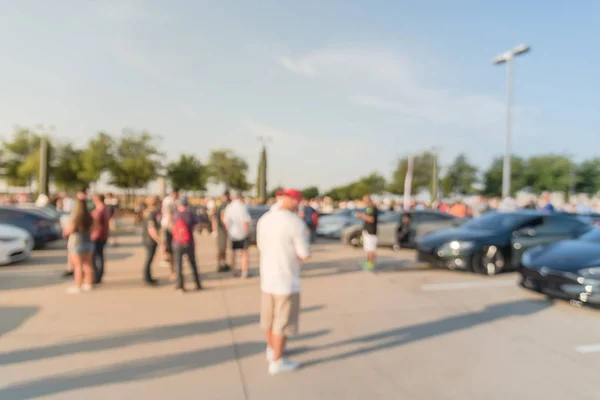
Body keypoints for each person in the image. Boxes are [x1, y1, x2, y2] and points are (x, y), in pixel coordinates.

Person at [256, 188, 310, 375]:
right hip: (286, 280)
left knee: (269, 320)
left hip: (267, 277)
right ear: (295, 202)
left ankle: (272, 350)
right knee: (282, 323)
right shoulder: (295, 223)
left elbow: (261, 246)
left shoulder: (264, 220)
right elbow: (304, 254)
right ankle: (278, 361)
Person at [63, 199, 94, 294]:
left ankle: (78, 285)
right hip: (88, 241)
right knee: (88, 264)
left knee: (78, 265)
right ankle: (88, 284)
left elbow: (69, 230)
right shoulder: (89, 216)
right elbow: (93, 228)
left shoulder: (75, 217)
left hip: (76, 242)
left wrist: (65, 233)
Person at [171, 197, 202, 292]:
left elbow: (171, 227)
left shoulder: (175, 215)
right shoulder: (190, 214)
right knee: (192, 263)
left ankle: (180, 285)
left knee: (178, 265)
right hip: (189, 242)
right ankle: (197, 283)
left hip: (177, 243)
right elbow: (197, 226)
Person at [223, 190, 252, 278]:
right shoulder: (242, 207)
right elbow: (245, 221)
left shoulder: (229, 207)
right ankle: (244, 271)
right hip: (242, 233)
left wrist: (229, 230)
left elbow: (225, 220)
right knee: (244, 253)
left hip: (232, 234)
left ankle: (234, 270)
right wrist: (246, 232)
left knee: (233, 253)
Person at [141, 196, 161, 285]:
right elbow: (151, 228)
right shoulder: (152, 213)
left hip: (146, 239)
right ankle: (147, 278)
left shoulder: (146, 212)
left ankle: (148, 277)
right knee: (149, 259)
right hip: (150, 240)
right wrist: (159, 240)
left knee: (149, 259)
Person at [91, 194, 110, 284]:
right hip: (103, 235)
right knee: (100, 256)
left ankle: (97, 275)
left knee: (95, 256)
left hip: (97, 235)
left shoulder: (99, 210)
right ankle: (99, 274)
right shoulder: (106, 209)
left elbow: (96, 223)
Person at [355, 195, 378, 271]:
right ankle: (368, 262)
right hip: (367, 231)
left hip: (371, 232)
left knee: (371, 249)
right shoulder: (368, 208)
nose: (364, 201)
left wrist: (361, 215)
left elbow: (371, 219)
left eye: (365, 199)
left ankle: (371, 264)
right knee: (368, 249)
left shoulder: (372, 208)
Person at [160, 188, 179, 279]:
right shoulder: (169, 201)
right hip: (168, 227)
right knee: (168, 248)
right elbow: (169, 214)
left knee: (172, 250)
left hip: (172, 227)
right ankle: (165, 257)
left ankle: (173, 269)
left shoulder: (173, 201)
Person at [212, 191, 231, 273]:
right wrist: (227, 228)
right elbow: (222, 217)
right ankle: (220, 264)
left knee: (222, 248)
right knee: (221, 248)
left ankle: (223, 263)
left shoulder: (220, 204)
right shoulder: (223, 205)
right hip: (222, 229)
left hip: (221, 229)